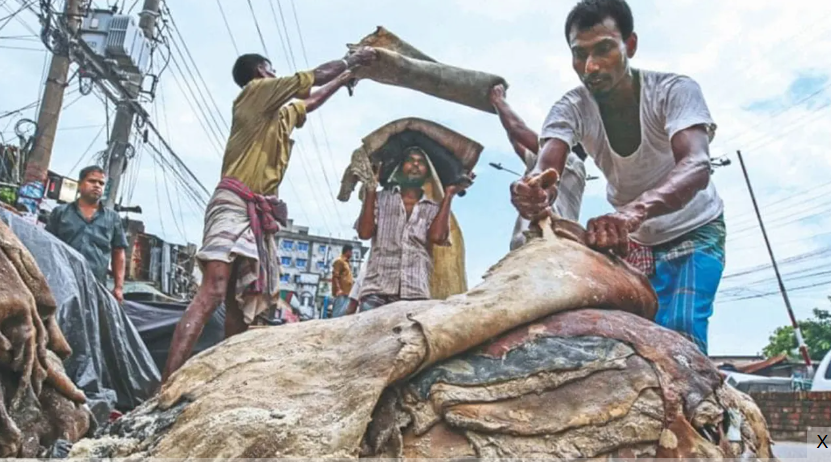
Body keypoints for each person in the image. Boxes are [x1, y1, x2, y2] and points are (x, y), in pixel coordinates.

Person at [510, 0, 725, 354]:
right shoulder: (571, 107)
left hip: (695, 229)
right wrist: (533, 190)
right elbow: (547, 166)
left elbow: (697, 164)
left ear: (630, 45)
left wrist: (629, 213)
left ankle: (697, 409)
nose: (591, 66)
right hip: (634, 240)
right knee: (631, 342)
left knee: (681, 335)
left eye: (604, 49)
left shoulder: (674, 90)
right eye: (579, 55)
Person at [162, 47, 378, 383]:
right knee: (214, 290)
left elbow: (312, 100)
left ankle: (224, 384)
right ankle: (168, 382)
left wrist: (345, 78)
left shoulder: (279, 115)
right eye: (272, 69)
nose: (276, 74)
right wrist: (352, 61)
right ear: (262, 71)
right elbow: (312, 80)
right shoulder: (255, 94)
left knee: (239, 302)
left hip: (256, 212)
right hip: (233, 202)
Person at [355, 147, 466, 312]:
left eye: (421, 162)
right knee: (364, 337)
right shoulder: (380, 198)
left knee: (410, 339)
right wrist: (371, 189)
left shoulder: (433, 208)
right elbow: (364, 233)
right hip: (377, 291)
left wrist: (449, 195)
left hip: (415, 294)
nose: (415, 165)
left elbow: (437, 237)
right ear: (399, 169)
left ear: (428, 173)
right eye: (410, 160)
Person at [489, 84, 588, 251]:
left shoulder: (568, 160)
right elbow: (516, 138)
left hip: (543, 239)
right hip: (548, 244)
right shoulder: (568, 167)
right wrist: (501, 112)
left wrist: (499, 101)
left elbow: (518, 130)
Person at [46, 165, 127, 303]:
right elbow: (47, 246)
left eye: (101, 183)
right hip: (62, 281)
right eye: (92, 181)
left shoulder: (113, 219)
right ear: (80, 184)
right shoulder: (60, 213)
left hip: (95, 285)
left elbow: (118, 252)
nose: (97, 186)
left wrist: (118, 287)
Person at [330, 245, 354, 318]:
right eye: (351, 252)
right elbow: (335, 276)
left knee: (343, 314)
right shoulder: (339, 261)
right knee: (337, 314)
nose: (352, 254)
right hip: (341, 292)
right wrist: (338, 289)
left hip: (347, 293)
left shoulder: (347, 263)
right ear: (347, 251)